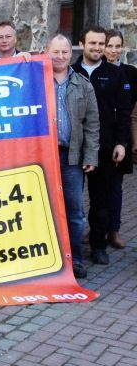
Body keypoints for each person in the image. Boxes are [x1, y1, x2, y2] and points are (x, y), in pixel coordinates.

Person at [71, 26, 131, 265]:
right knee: (72, 201)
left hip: (105, 147)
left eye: (100, 44)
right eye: (92, 43)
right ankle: (71, 249)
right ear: (81, 44)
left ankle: (98, 246)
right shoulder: (71, 71)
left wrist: (121, 143)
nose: (97, 48)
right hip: (74, 148)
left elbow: (124, 112)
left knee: (101, 202)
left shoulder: (115, 74)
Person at [47, 34, 99, 279]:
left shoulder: (83, 84)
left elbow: (92, 124)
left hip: (72, 158)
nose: (60, 56)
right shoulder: (35, 80)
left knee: (75, 212)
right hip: (43, 157)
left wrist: (91, 156)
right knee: (44, 208)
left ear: (71, 53)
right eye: (55, 52)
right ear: (47, 52)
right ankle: (48, 260)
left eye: (64, 52)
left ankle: (75, 260)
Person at [104, 29, 137, 249]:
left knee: (116, 186)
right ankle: (96, 228)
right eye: (110, 46)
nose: (113, 51)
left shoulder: (131, 73)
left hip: (121, 138)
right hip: (99, 137)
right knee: (96, 188)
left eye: (118, 46)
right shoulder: (95, 71)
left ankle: (114, 230)